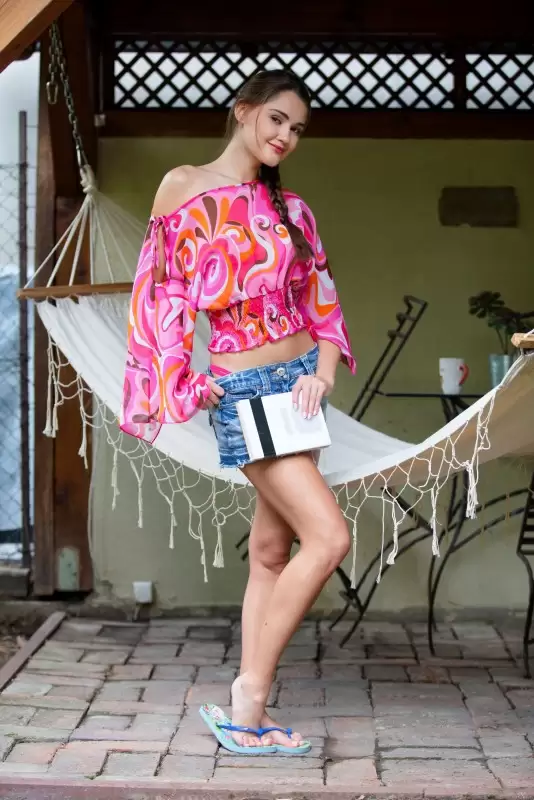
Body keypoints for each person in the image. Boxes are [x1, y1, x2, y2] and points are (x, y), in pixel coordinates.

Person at [120, 68, 356, 755]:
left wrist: (323, 373)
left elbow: (324, 302)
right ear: (244, 109)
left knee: (271, 552)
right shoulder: (184, 186)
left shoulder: (294, 210)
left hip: (298, 391)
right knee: (329, 539)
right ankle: (249, 694)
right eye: (277, 119)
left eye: (297, 129)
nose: (286, 136)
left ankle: (248, 719)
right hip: (245, 391)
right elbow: (158, 297)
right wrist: (184, 383)